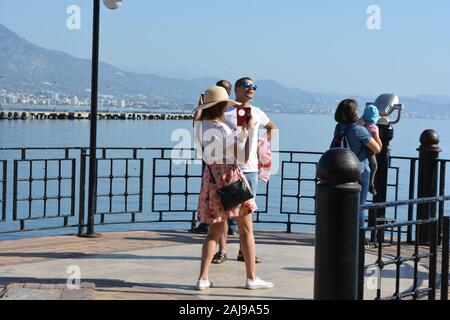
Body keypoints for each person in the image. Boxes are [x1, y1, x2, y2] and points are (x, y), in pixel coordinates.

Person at [195, 85, 273, 290]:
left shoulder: (201, 126)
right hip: (231, 178)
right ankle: (251, 277)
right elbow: (243, 156)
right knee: (246, 229)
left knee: (214, 230)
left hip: (211, 179)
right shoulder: (222, 128)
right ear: (221, 106)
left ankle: (203, 278)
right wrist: (247, 131)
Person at [211, 77, 277, 265]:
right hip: (228, 168)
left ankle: (243, 251)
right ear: (237, 89)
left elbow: (272, 128)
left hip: (250, 169)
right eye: (247, 86)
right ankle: (222, 251)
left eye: (254, 87)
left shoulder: (257, 112)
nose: (251, 89)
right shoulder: (226, 112)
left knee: (246, 214)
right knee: (223, 213)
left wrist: (261, 141)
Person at [190, 80, 236, 235]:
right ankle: (228, 227)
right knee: (229, 200)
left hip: (211, 166)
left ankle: (211, 225)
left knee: (214, 200)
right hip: (225, 168)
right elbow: (237, 152)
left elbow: (195, 125)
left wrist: (200, 106)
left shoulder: (205, 122)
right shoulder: (223, 122)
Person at [333, 99, 382, 228]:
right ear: (354, 112)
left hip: (341, 170)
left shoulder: (338, 128)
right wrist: (376, 133)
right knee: (360, 205)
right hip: (359, 171)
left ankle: (344, 234)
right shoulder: (359, 130)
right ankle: (359, 239)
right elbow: (377, 148)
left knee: (344, 204)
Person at [362, 104, 382, 195]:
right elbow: (378, 144)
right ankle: (371, 184)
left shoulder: (361, 127)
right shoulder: (374, 128)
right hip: (370, 150)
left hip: (361, 151)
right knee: (374, 166)